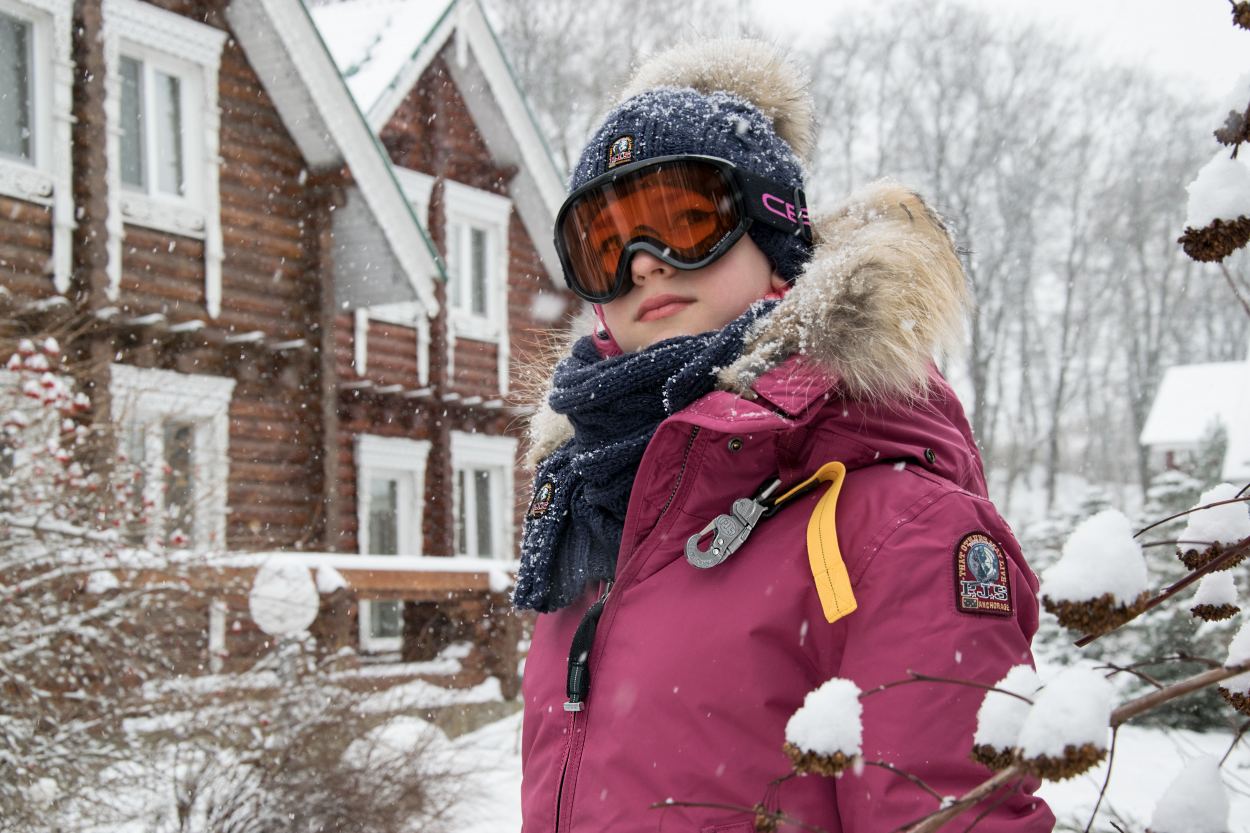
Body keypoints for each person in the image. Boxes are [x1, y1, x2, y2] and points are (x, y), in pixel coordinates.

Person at [513, 39, 1054, 833]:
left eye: (684, 220)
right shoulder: (591, 515)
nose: (643, 266)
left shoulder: (896, 527)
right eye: (605, 244)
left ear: (778, 255)